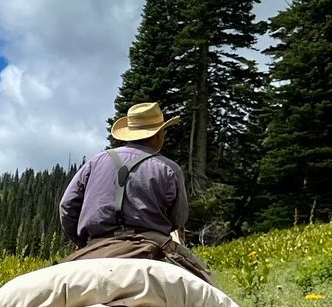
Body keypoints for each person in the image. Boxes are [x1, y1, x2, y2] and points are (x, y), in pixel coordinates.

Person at [57, 101, 215, 284]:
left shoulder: (96, 161)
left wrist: (84, 242)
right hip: (152, 243)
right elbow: (178, 219)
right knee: (207, 284)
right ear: (157, 135)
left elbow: (67, 206)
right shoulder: (169, 169)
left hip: (96, 244)